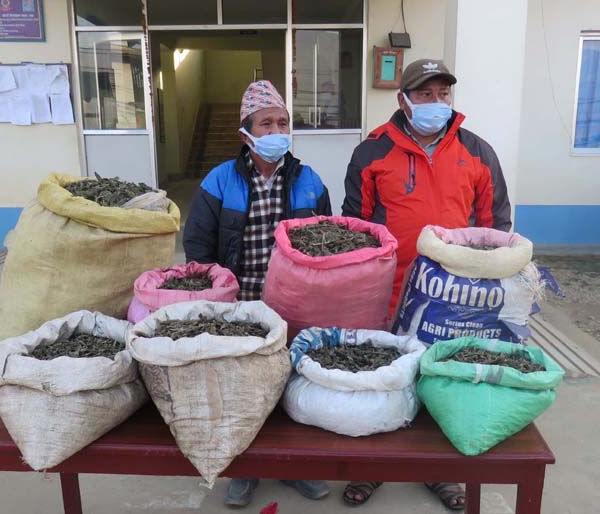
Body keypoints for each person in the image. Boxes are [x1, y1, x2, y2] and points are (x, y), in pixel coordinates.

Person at [340, 59, 512, 510]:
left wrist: (484, 286)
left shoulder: (477, 151)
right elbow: (356, 227)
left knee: (445, 383)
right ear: (403, 100)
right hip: (389, 295)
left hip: (456, 299)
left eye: (443, 94)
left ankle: (440, 471)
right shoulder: (372, 152)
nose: (436, 102)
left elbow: (495, 225)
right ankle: (375, 466)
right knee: (384, 382)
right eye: (424, 94)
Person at [183, 80, 332, 508]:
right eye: (266, 123)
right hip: (240, 302)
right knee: (242, 387)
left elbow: (327, 239)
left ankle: (294, 466)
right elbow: (198, 245)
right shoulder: (220, 180)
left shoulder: (308, 180)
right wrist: (215, 298)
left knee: (291, 382)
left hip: (294, 302)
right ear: (246, 133)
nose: (277, 131)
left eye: (283, 123)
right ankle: (245, 469)